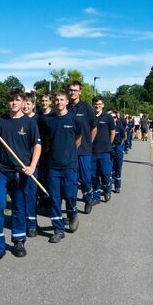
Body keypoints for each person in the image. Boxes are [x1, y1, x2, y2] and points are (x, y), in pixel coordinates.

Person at [0, 88, 42, 265]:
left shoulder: (30, 122)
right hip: (1, 170)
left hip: (20, 172)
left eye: (17, 99)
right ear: (7, 103)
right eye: (11, 100)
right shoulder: (1, 121)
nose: (14, 103)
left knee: (19, 207)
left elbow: (37, 146)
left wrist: (32, 166)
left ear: (23, 102)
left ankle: (18, 240)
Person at [39, 90, 82, 243]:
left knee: (70, 195)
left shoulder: (74, 119)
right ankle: (58, 230)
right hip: (53, 167)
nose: (59, 102)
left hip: (70, 165)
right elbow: (45, 139)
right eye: (56, 100)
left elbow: (78, 138)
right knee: (54, 199)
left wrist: (69, 152)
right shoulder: (48, 120)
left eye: (62, 99)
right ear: (53, 102)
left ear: (66, 102)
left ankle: (72, 214)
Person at [67, 81, 97, 214]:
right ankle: (72, 210)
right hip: (68, 151)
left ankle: (88, 198)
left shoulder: (86, 108)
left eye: (75, 90)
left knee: (85, 178)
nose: (72, 92)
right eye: (70, 90)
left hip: (84, 150)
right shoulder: (64, 107)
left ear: (80, 92)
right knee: (72, 181)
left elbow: (94, 127)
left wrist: (89, 142)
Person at [91, 96, 115, 204]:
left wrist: (109, 143)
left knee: (105, 173)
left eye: (99, 104)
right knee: (93, 175)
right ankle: (96, 196)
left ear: (103, 105)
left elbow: (112, 132)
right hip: (92, 151)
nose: (97, 106)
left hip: (105, 150)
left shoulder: (108, 117)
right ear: (93, 105)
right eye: (96, 104)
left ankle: (107, 188)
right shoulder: (90, 116)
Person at [22, 93, 40, 237]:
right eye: (24, 103)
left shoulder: (37, 120)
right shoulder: (16, 119)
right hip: (18, 163)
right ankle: (21, 221)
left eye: (28, 103)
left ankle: (32, 224)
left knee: (30, 194)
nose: (25, 106)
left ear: (33, 105)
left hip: (33, 163)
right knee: (19, 194)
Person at [110, 111, 126, 193]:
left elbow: (124, 137)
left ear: (116, 118)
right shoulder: (107, 126)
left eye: (114, 117)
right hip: (109, 148)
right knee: (109, 168)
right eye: (111, 117)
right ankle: (108, 187)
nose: (113, 119)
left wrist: (120, 146)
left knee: (118, 168)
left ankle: (117, 187)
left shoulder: (119, 126)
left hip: (118, 148)